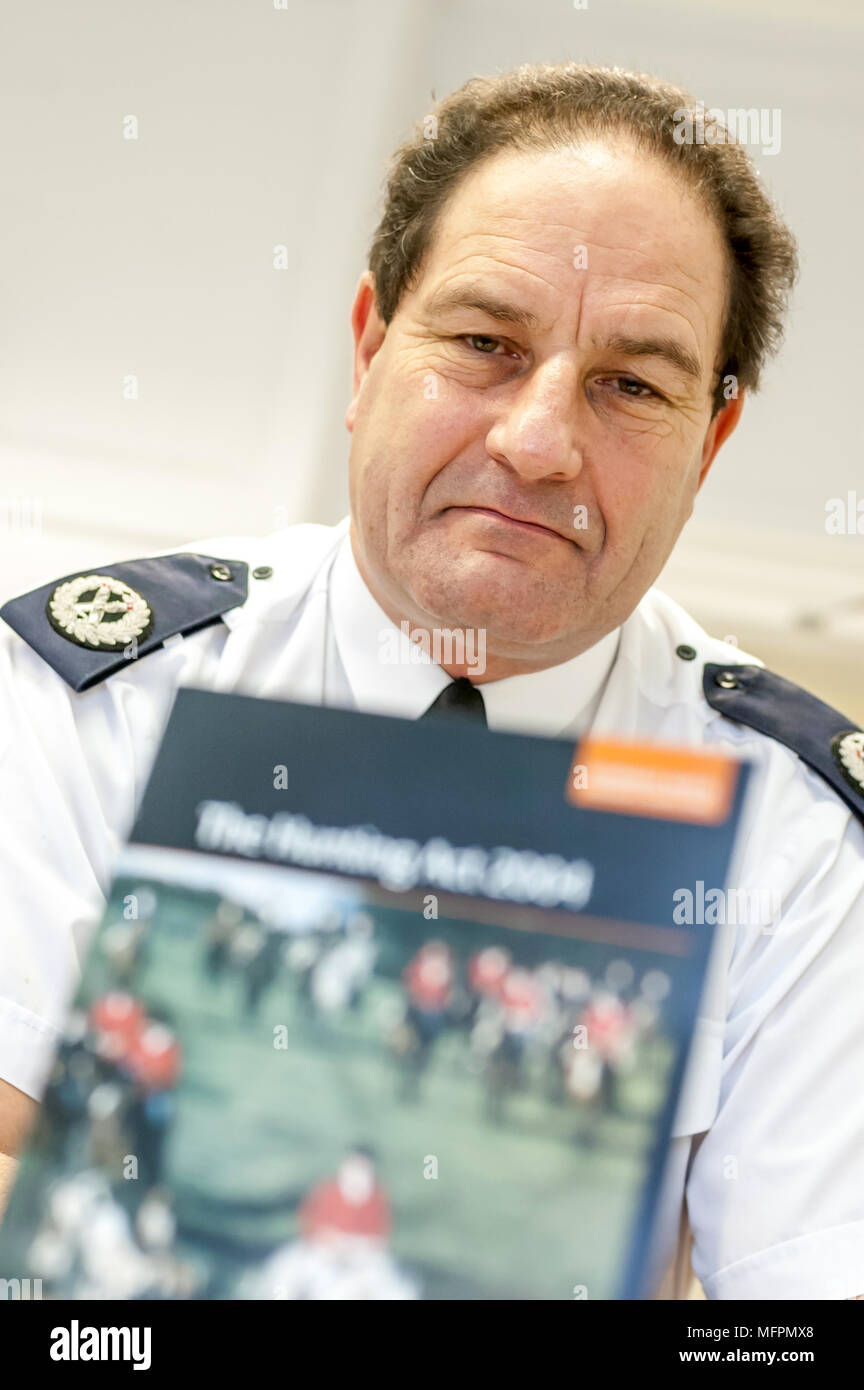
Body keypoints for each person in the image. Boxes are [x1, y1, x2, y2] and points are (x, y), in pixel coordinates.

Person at [0, 62, 862, 1300]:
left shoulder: (809, 847)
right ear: (369, 351)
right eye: (483, 344)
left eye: (632, 385)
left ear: (709, 439)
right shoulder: (81, 696)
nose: (538, 442)